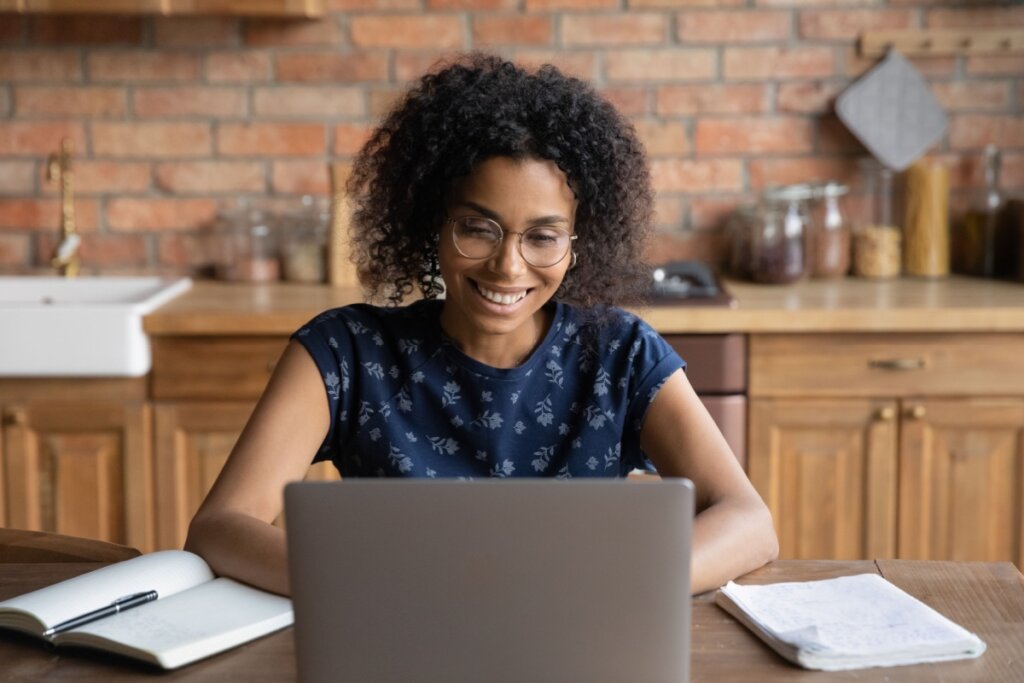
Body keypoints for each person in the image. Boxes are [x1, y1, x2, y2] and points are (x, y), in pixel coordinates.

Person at [185, 53, 778, 597]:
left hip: (571, 635)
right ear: (431, 225)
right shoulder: (343, 352)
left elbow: (749, 522)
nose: (508, 265)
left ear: (577, 247)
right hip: (398, 639)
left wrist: (624, 580)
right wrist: (373, 587)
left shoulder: (619, 352)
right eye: (477, 228)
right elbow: (220, 527)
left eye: (543, 237)